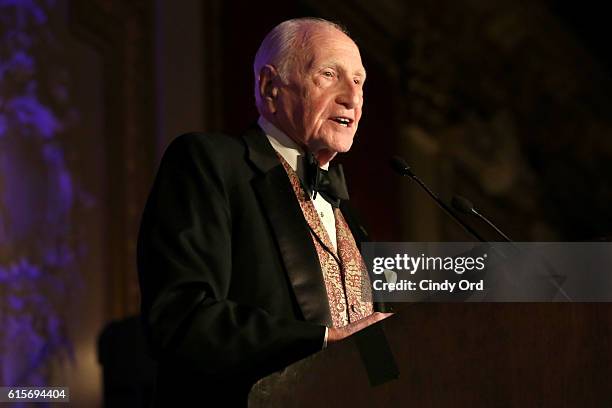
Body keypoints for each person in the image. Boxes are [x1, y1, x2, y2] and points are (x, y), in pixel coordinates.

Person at [137, 17, 391, 406]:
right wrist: (322, 341)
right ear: (270, 87)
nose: (352, 98)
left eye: (359, 82)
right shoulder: (210, 164)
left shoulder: (350, 217)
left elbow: (373, 347)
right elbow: (181, 320)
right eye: (329, 74)